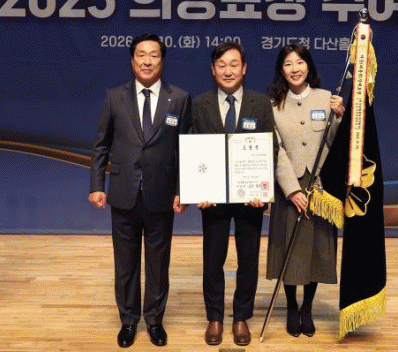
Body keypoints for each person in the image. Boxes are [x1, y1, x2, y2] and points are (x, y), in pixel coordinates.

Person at [88, 34, 191, 348]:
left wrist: (183, 190)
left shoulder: (179, 98)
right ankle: (129, 321)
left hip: (162, 195)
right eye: (141, 55)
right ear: (132, 60)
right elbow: (101, 145)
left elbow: (186, 149)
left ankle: (155, 321)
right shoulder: (114, 96)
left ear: (162, 60)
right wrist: (97, 185)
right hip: (123, 193)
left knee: (158, 265)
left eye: (154, 55)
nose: (147, 61)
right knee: (126, 266)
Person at [191, 41, 277, 347]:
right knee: (212, 260)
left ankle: (241, 317)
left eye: (234, 64)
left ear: (244, 68)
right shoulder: (199, 104)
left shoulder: (260, 103)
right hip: (212, 197)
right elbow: (191, 147)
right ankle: (214, 317)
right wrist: (198, 188)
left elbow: (270, 149)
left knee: (248, 260)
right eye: (222, 65)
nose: (228, 71)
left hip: (249, 197)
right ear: (213, 70)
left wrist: (263, 189)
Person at [265, 44, 344, 337]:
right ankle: (291, 306)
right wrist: (291, 190)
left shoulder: (327, 98)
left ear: (308, 66)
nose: (295, 69)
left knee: (316, 251)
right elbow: (276, 150)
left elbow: (337, 142)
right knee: (290, 248)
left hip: (320, 189)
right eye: (288, 64)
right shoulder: (273, 104)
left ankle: (307, 307)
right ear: (281, 70)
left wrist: (339, 116)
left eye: (299, 62)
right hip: (290, 187)